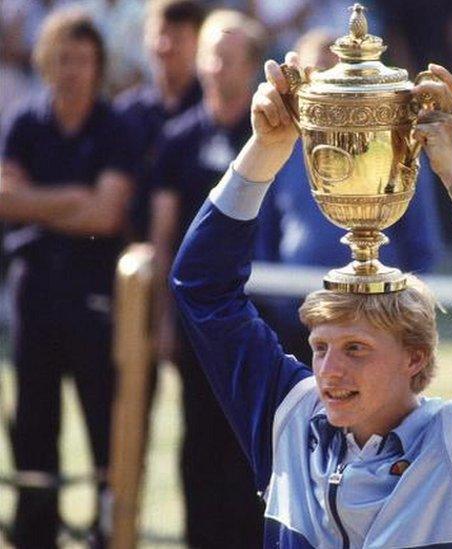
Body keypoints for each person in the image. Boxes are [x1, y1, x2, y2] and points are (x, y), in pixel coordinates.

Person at [169, 57, 452, 546]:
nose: (328, 372)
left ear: (414, 357)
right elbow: (200, 285)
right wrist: (264, 152)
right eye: (320, 347)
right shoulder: (288, 417)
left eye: (355, 349)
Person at [0, 8, 136, 547]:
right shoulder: (25, 123)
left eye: (82, 59)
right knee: (32, 420)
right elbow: (5, 201)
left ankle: (107, 529)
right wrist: (73, 199)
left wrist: (36, 204)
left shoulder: (114, 126)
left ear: (98, 65)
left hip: (95, 289)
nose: (72, 70)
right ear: (45, 63)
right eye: (62, 59)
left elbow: (107, 214)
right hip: (33, 287)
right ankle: (36, 530)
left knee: (101, 414)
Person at [254, 29, 444, 367]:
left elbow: (421, 234)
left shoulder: (397, 144)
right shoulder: (281, 150)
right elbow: (265, 231)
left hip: (379, 313)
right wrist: (276, 300)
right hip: (293, 315)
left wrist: (410, 300)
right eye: (322, 76)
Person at [149, 9, 267, 547]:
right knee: (199, 442)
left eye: (228, 56)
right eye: (210, 55)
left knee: (261, 442)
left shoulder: (272, 137)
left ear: (251, 66)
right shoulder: (178, 139)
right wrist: (162, 322)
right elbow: (162, 236)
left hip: (264, 321)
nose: (216, 67)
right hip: (198, 325)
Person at [115, 0, 206, 243]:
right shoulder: (126, 113)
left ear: (197, 42)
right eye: (159, 34)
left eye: (177, 37)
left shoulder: (210, 113)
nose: (165, 46)